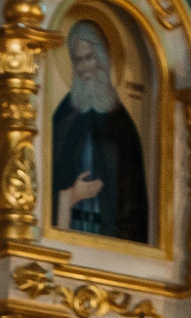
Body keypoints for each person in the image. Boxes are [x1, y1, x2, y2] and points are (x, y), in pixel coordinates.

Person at [51, 20, 149, 242]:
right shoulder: (63, 118)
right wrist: (71, 197)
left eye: (89, 58)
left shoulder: (122, 127)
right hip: (66, 232)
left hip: (108, 245)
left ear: (103, 59)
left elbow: (134, 204)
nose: (84, 67)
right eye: (78, 60)